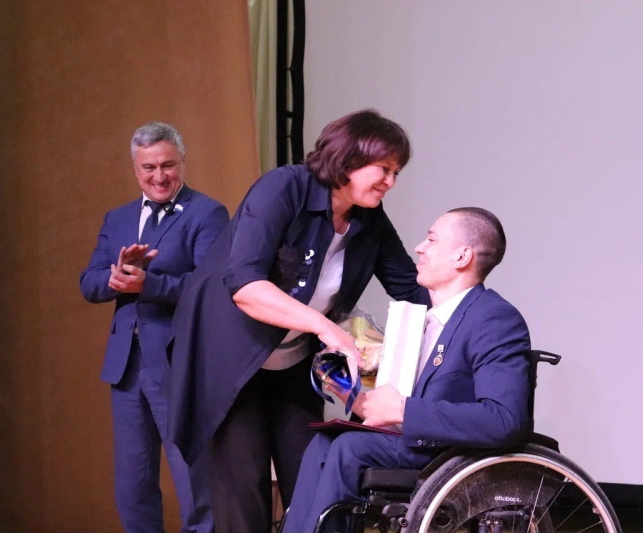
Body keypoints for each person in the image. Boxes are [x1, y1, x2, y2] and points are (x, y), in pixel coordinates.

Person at [166, 109, 431, 532]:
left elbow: (413, 292)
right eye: (384, 168)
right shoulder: (284, 187)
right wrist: (325, 327)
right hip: (231, 360)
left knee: (314, 485)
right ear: (350, 158)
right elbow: (244, 286)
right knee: (244, 495)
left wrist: (472, 320)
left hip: (293, 364)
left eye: (396, 172)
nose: (391, 182)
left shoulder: (370, 221)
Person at [280, 207, 533, 533]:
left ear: (461, 256)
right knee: (325, 441)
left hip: (449, 453)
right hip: (418, 441)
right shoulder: (426, 319)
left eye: (431, 240)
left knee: (348, 448)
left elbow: (504, 420)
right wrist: (351, 388)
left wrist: (402, 409)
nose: (419, 248)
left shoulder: (492, 317)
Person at [80, 122, 229, 533]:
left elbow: (211, 286)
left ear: (182, 162)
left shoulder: (207, 213)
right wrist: (116, 278)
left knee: (194, 482)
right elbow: (88, 282)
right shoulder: (118, 218)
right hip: (126, 368)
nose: (159, 176)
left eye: (168, 165)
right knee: (132, 486)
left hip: (178, 364)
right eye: (149, 168)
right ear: (136, 169)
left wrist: (149, 284)